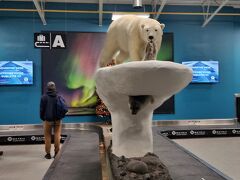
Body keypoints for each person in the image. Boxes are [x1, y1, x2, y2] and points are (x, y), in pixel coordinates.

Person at [40, 81, 63, 159]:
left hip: (48, 120)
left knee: (47, 136)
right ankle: (56, 153)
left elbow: (41, 110)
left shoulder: (44, 97)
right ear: (54, 87)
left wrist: (42, 118)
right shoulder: (58, 96)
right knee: (57, 135)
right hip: (57, 119)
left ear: (47, 88)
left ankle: (48, 154)